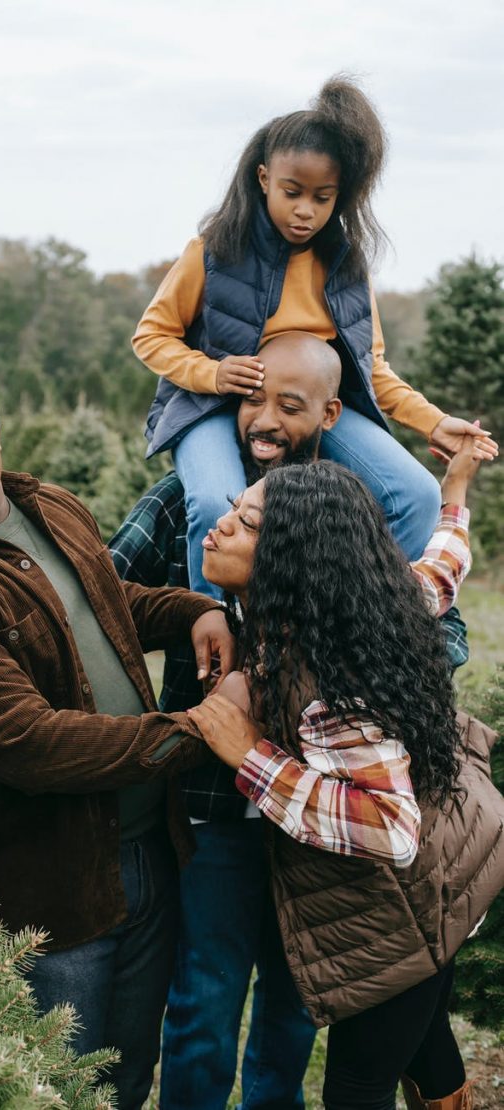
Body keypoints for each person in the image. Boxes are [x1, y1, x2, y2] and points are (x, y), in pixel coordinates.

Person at [0, 329, 236, 1110]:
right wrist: (203, 730)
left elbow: (102, 601)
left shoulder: (48, 506)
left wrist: (192, 611)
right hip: (54, 896)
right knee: (55, 1093)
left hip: (150, 852)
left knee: (127, 1078)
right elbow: (29, 745)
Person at [110, 332, 468, 1110]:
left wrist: (360, 662)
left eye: (290, 405)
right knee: (204, 1000)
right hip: (214, 808)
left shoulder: (339, 512)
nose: (264, 420)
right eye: (252, 398)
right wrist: (194, 612)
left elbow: (431, 611)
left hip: (319, 821)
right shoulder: (188, 502)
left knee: (295, 1000)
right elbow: (104, 599)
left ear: (329, 414)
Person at [187, 443, 504, 1110]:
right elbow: (442, 569)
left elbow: (390, 829)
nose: (221, 525)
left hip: (410, 905)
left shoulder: (328, 688)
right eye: (235, 509)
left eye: (246, 524)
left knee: (357, 1088)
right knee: (425, 1044)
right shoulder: (368, 603)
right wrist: (455, 490)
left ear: (290, 561)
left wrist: (251, 755)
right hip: (453, 872)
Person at [132, 75, 497, 598]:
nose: (305, 210)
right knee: (215, 502)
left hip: (306, 406)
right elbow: (151, 336)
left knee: (416, 493)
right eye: (292, 193)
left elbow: (370, 368)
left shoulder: (346, 267)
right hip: (210, 405)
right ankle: (211, 629)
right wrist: (212, 373)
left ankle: (370, 623)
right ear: (264, 178)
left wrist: (434, 423)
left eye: (322, 198)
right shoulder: (213, 251)